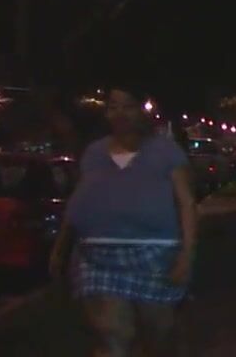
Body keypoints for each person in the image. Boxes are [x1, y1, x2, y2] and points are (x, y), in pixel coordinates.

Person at [49, 85, 197, 357]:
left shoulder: (167, 152)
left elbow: (186, 203)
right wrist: (60, 247)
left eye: (128, 106)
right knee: (112, 337)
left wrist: (186, 256)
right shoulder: (94, 153)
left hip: (154, 255)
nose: (120, 114)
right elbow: (79, 200)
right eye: (113, 107)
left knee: (159, 335)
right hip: (97, 258)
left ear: (142, 110)